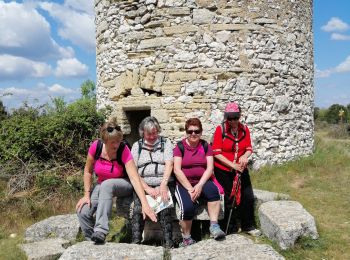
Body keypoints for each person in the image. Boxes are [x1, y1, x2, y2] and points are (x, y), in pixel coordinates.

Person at [76, 119, 157, 243]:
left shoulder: (123, 149)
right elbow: (87, 171)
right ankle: (92, 243)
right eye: (113, 142)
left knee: (107, 185)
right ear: (104, 141)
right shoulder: (96, 147)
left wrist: (145, 204)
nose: (116, 145)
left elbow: (134, 178)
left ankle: (101, 230)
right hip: (101, 185)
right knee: (83, 212)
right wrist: (86, 195)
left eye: (118, 141)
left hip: (124, 183)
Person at [173, 118, 226, 247]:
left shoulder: (206, 146)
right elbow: (177, 170)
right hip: (184, 183)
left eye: (196, 131)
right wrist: (190, 189)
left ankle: (214, 226)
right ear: (186, 132)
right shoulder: (180, 147)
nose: (193, 134)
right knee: (187, 207)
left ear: (201, 132)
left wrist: (200, 185)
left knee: (214, 192)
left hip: (202, 180)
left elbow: (209, 168)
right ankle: (186, 238)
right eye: (190, 131)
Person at [212, 102, 261, 236]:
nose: (233, 121)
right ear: (226, 117)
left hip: (241, 169)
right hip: (224, 170)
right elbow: (216, 152)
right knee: (229, 199)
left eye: (235, 117)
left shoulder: (244, 129)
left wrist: (245, 156)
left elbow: (249, 148)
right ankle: (230, 229)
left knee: (248, 196)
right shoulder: (220, 130)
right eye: (230, 118)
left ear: (240, 116)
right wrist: (232, 165)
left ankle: (248, 225)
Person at [131, 116, 175, 248]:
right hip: (142, 184)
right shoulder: (136, 146)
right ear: (142, 132)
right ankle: (136, 242)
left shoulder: (165, 143)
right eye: (149, 134)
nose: (152, 136)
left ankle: (168, 243)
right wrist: (147, 189)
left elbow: (169, 164)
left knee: (164, 205)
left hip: (163, 182)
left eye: (154, 133)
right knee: (138, 208)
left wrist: (163, 184)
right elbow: (133, 170)